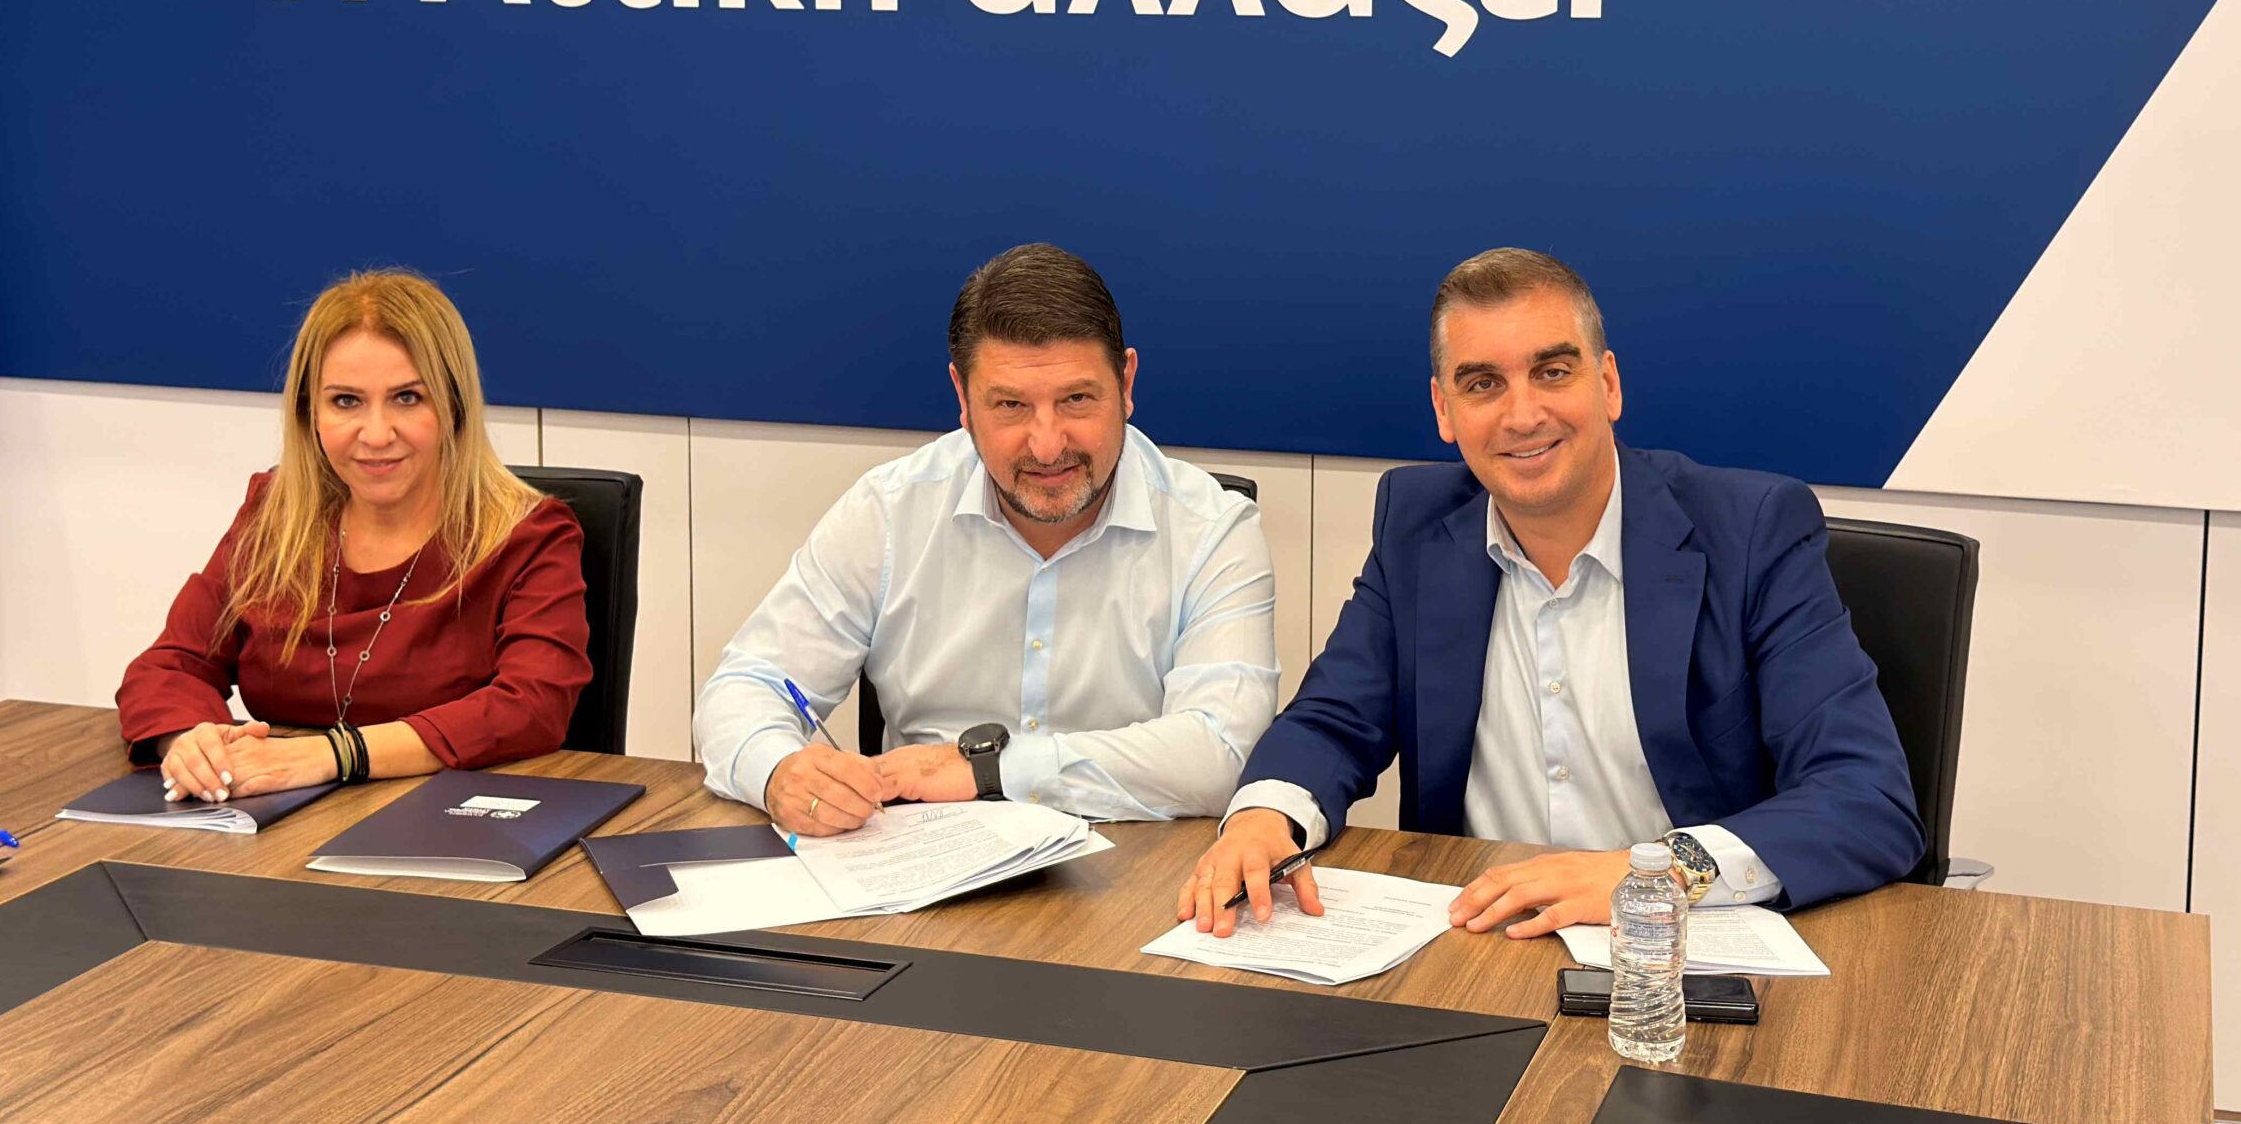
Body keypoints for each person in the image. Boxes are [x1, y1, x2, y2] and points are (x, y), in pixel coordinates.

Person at [1178, 247, 1920, 938]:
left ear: (1608, 384)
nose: (1523, 414)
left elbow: (1866, 796)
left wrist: (1650, 876)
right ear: (1444, 410)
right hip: (1482, 946)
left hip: (1679, 955)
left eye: (1553, 372)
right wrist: (1265, 816)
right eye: (1482, 384)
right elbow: (1333, 722)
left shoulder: (1751, 531)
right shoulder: (1417, 528)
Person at [695, 243, 1278, 834]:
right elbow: (746, 688)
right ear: (963, 398)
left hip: (1134, 865)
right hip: (919, 861)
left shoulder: (1211, 530)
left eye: (1076, 399)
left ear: (1126, 383)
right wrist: (779, 772)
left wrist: (987, 770)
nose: (1047, 445)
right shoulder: (889, 511)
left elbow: (1219, 754)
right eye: (1011, 405)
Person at [117, 270, 592, 800]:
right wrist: (192, 745)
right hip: (274, 815)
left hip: (448, 823)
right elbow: (169, 667)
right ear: (310, 412)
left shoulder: (529, 535)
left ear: (454, 406)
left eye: (408, 398)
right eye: (346, 401)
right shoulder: (272, 516)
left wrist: (333, 755)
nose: (377, 434)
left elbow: (532, 706)